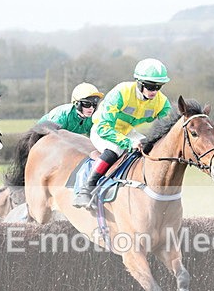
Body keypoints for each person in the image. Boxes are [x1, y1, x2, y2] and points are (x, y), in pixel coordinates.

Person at [72, 59, 172, 208]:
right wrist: (128, 143)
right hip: (103, 129)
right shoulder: (121, 92)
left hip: (126, 130)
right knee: (114, 150)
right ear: (139, 82)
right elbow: (104, 127)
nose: (154, 91)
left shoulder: (161, 102)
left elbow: (168, 125)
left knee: (149, 149)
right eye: (151, 86)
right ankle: (85, 190)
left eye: (159, 86)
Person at [38, 83, 104, 136]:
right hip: (41, 133)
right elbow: (51, 139)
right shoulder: (62, 116)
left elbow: (93, 138)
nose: (91, 108)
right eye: (87, 104)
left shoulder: (93, 119)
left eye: (94, 105)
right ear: (76, 103)